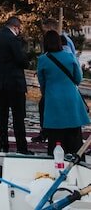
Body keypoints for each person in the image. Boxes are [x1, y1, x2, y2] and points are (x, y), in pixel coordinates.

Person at [37, 28, 90, 156]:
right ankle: (77, 164)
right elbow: (78, 79)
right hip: (71, 99)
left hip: (53, 100)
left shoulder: (43, 59)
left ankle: (56, 163)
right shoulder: (70, 56)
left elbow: (41, 81)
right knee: (75, 136)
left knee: (55, 136)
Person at [0, 15, 29, 154]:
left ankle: (3, 146)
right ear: (16, 27)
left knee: (2, 114)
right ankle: (21, 148)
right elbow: (21, 60)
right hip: (14, 82)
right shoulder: (13, 40)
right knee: (18, 116)